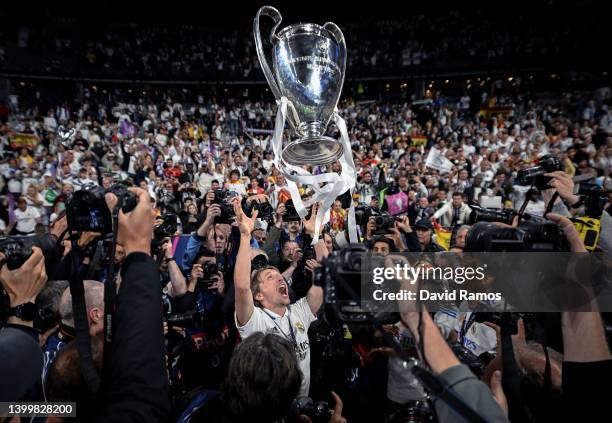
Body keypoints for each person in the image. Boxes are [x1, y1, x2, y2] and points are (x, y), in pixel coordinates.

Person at [233, 200, 324, 397]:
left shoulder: (299, 311)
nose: (279, 277)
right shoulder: (255, 321)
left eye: (278, 274)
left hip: (302, 407)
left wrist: (316, 234)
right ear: (258, 294)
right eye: (270, 276)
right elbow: (241, 287)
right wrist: (245, 235)